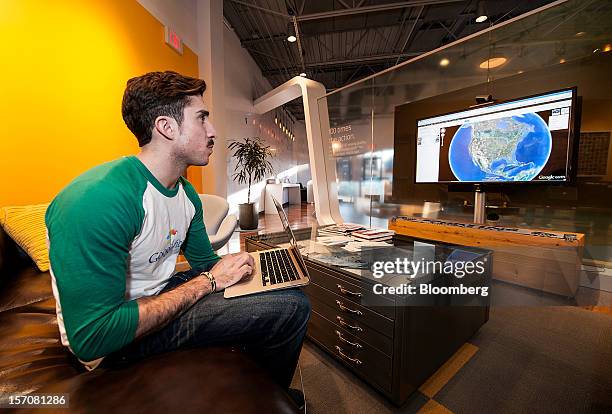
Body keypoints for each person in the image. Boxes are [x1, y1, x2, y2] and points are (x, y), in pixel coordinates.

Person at [45, 71, 311, 400]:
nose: (212, 131)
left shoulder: (185, 194)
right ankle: (275, 399)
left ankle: (263, 389)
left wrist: (241, 267)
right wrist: (208, 283)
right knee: (290, 307)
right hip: (117, 339)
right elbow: (93, 338)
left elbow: (204, 262)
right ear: (166, 128)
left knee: (277, 286)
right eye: (202, 118)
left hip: (158, 294)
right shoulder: (97, 200)